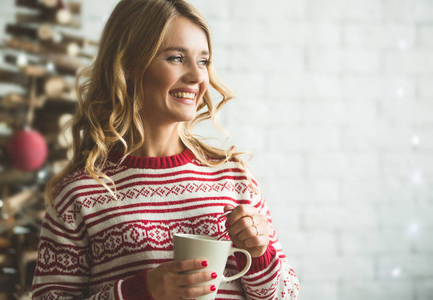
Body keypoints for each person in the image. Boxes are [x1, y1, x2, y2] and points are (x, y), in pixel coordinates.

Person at [31, 0, 299, 299]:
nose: (197, 78)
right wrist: (141, 291)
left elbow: (285, 295)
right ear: (129, 65)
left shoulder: (233, 175)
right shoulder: (79, 193)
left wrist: (260, 254)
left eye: (203, 61)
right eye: (175, 58)